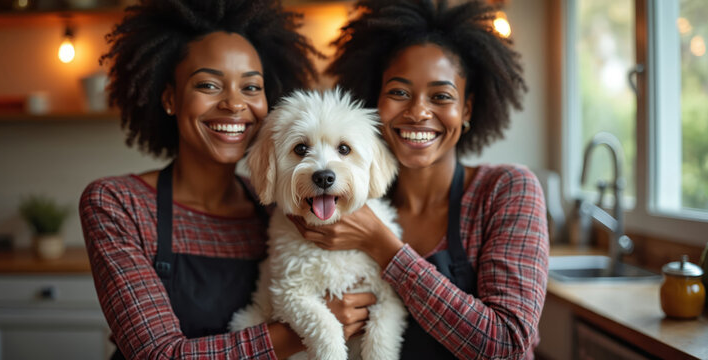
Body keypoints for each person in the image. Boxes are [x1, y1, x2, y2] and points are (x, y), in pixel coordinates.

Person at [79, 0, 375, 358]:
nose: (234, 104)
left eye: (251, 88)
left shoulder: (281, 207)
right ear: (171, 98)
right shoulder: (118, 203)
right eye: (208, 85)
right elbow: (155, 354)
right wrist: (306, 331)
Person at [291, 0, 550, 358]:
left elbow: (506, 343)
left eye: (441, 96)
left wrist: (384, 246)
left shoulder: (507, 189)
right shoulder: (342, 197)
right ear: (374, 103)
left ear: (468, 109)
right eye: (398, 92)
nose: (418, 112)